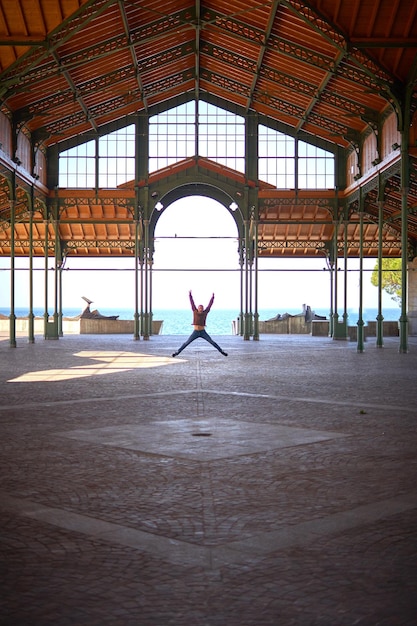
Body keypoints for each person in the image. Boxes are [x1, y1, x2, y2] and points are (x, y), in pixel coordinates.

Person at [172, 291, 228, 357]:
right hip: (195, 332)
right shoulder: (195, 311)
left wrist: (212, 297)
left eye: (202, 308)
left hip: (202, 332)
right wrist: (190, 295)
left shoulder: (205, 312)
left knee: (212, 342)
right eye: (199, 308)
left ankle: (221, 351)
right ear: (198, 308)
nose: (200, 309)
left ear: (203, 309)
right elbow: (192, 303)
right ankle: (177, 352)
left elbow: (210, 305)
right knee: (187, 343)